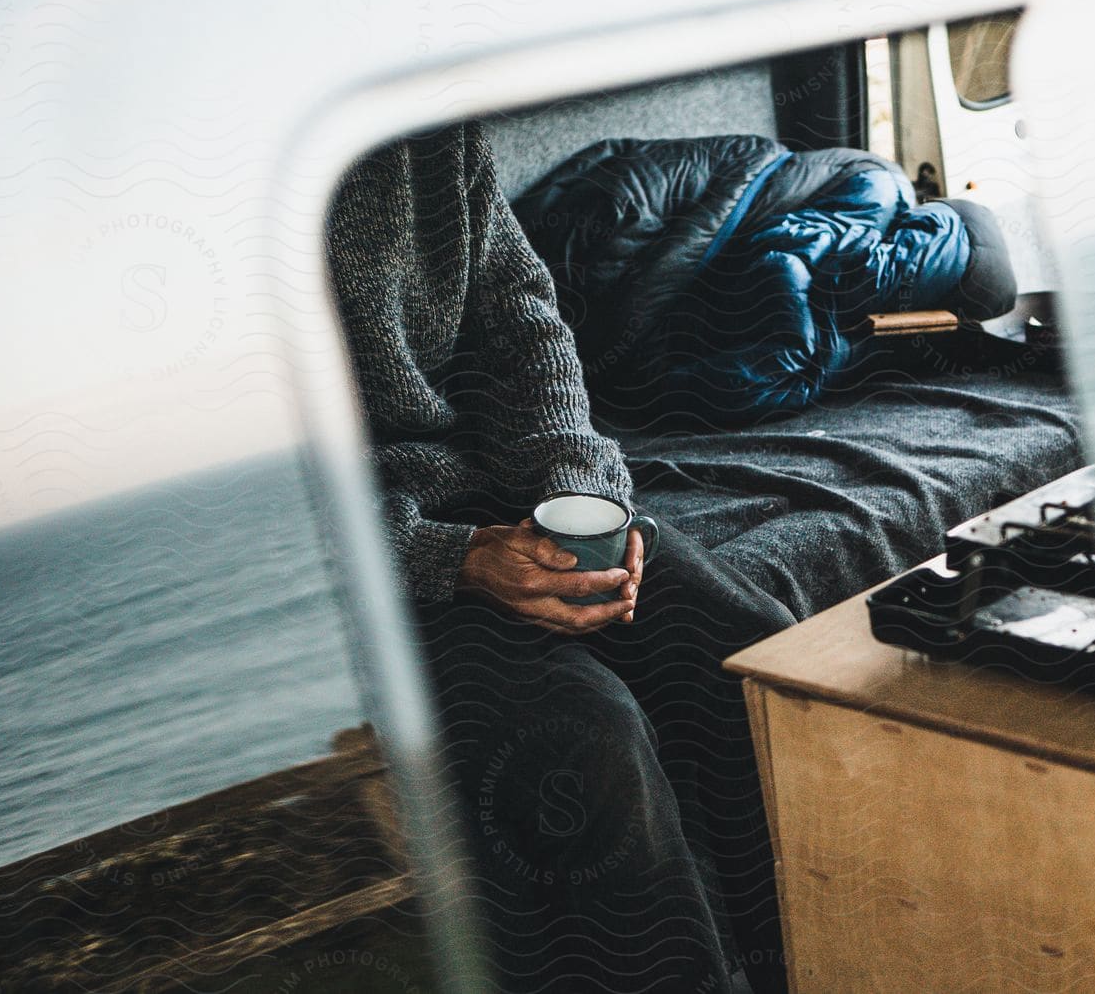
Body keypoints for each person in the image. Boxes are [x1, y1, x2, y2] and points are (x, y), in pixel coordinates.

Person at [326, 121, 794, 994]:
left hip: (501, 493)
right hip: (352, 558)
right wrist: (448, 558)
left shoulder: (426, 127)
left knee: (756, 658)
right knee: (584, 738)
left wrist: (581, 497)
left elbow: (517, 323)